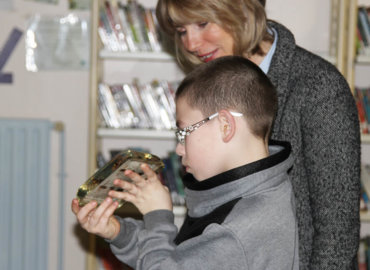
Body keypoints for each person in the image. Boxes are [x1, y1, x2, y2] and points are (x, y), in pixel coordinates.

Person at [155, 0, 361, 269]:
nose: (191, 43)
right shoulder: (210, 81)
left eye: (203, 23)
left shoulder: (317, 87)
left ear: (241, 9)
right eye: (181, 31)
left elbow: (337, 232)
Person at [72, 56, 299, 269]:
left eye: (184, 132)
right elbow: (183, 257)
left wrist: (158, 216)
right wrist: (118, 232)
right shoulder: (254, 190)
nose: (179, 149)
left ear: (225, 126)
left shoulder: (237, 230)